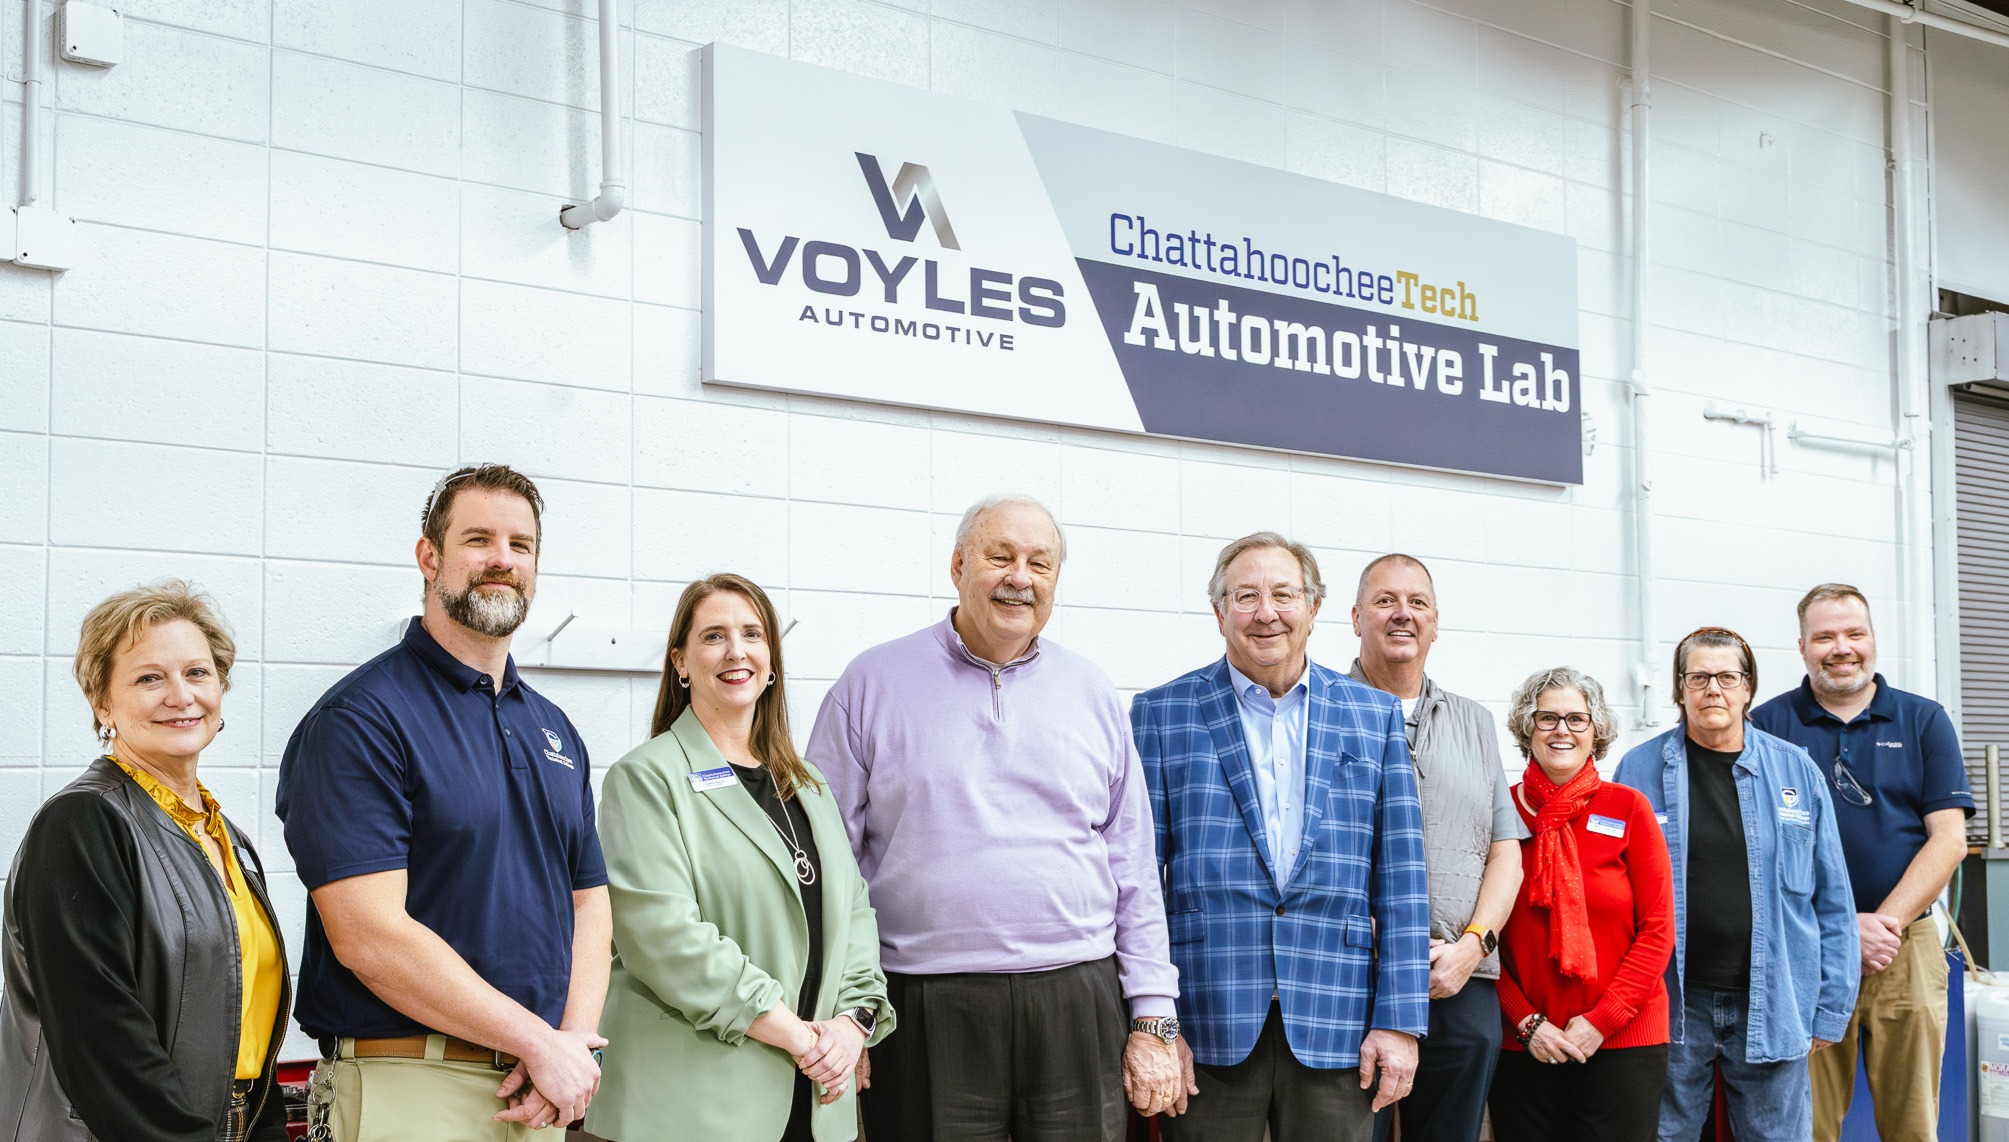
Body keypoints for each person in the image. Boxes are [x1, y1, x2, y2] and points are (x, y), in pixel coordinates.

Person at [807, 493, 1183, 1142]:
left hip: (1077, 998)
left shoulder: (1091, 690)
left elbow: (1133, 865)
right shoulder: (869, 683)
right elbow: (823, 864)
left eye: (1040, 564)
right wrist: (846, 1013)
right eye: (999, 556)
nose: (1019, 577)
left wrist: (1153, 1016)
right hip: (924, 1003)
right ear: (957, 565)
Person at [277, 464, 612, 1140]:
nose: (501, 560)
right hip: (411, 1086)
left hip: (535, 1090)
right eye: (478, 539)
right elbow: (370, 937)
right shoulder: (362, 719)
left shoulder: (553, 729)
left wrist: (570, 1042)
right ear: (429, 556)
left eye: (521, 545)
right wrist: (541, 1043)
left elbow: (589, 901)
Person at [1131, 531, 1429, 1142]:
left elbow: (1403, 881)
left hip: (1338, 1018)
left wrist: (1399, 1022)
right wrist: (1154, 1024)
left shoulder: (1372, 717)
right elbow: (1137, 883)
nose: (1266, 612)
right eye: (1245, 595)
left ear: (1314, 608)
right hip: (1206, 1021)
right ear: (1219, 613)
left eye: (1283, 594)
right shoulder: (1161, 714)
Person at [586, 574, 895, 1142]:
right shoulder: (647, 778)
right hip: (696, 1107)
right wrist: (798, 1036)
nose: (737, 651)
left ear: (771, 660)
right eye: (714, 636)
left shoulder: (810, 786)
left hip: (815, 1100)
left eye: (752, 633)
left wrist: (852, 1025)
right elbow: (664, 937)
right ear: (680, 662)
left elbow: (855, 917)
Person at [0, 579, 289, 1141]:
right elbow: (101, 1036)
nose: (180, 695)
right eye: (149, 678)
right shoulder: (82, 825)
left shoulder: (221, 834)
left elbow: (247, 1028)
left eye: (197, 673)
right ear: (102, 701)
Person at [1614, 627, 1859, 1142]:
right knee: (1664, 1135)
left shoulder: (1796, 770)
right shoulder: (1638, 770)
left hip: (1774, 998)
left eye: (1727, 676)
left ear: (1748, 688)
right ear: (1679, 690)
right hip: (1674, 1002)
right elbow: (1615, 895)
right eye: (1698, 677)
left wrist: (1830, 1007)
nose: (1713, 690)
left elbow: (1833, 899)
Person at [1750, 584, 1972, 1142]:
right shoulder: (1768, 728)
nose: (1840, 647)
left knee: (1912, 1124)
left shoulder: (1924, 721)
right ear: (1802, 645)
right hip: (1807, 949)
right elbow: (1755, 849)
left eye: (1854, 633)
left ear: (1873, 640)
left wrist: (1885, 922)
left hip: (1907, 945)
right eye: (1825, 636)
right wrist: (1844, 930)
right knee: (1806, 1123)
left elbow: (1949, 841)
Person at [1348, 554, 1527, 1142]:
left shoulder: (1474, 722)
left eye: (1417, 602)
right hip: (1354, 975)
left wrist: (1473, 947)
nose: (1403, 614)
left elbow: (1505, 849)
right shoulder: (1319, 711)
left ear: (1435, 621)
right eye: (1385, 601)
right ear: (1355, 618)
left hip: (1459, 978)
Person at [1489, 667, 1673, 1142]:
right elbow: (1479, 935)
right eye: (1547, 718)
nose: (1561, 731)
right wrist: (1527, 1024)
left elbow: (1658, 931)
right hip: (1525, 1042)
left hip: (1624, 1041)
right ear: (1527, 728)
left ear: (1597, 730)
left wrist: (1601, 1022)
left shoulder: (1629, 808)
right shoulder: (1499, 811)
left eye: (1576, 719)